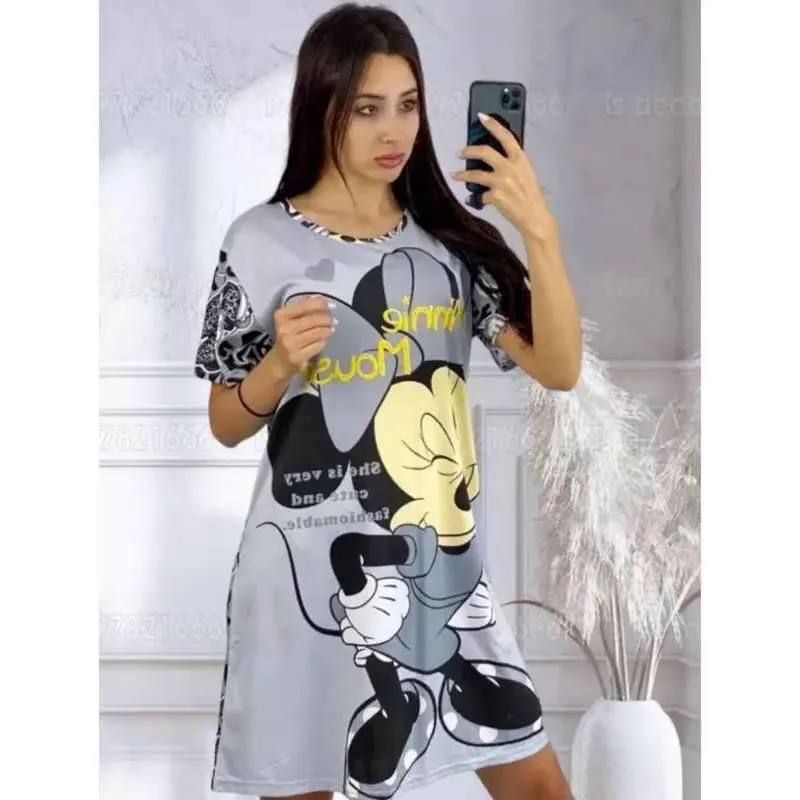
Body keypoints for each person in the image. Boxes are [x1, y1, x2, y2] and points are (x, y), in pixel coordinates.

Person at [193, 3, 582, 799]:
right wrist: (278, 365)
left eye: (407, 105)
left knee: (539, 785)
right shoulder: (259, 240)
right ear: (322, 106)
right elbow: (225, 422)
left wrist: (538, 231)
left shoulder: (450, 242)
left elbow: (560, 367)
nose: (393, 130)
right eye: (367, 108)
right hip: (301, 572)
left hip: (442, 570)